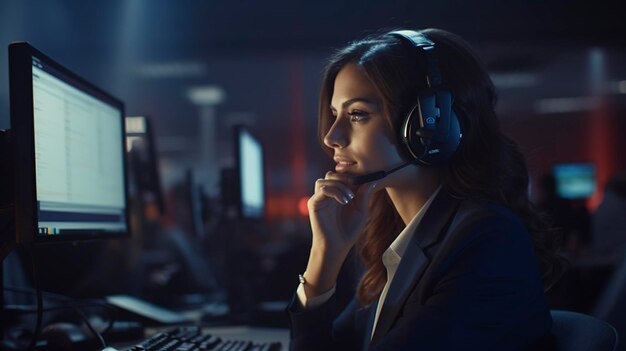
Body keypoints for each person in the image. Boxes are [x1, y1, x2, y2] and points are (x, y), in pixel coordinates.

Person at [287, 28, 564, 350]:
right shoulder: (398, 236)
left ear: (431, 125)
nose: (331, 136)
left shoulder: (486, 240)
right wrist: (325, 257)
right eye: (335, 115)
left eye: (358, 114)